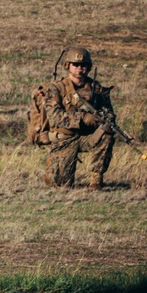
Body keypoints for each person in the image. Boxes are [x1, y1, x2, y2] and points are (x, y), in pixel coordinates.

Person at [43, 47, 116, 189]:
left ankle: (96, 179)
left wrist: (106, 122)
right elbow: (54, 117)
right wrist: (82, 117)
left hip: (87, 137)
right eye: (75, 65)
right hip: (64, 138)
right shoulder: (56, 88)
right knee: (60, 185)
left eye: (83, 65)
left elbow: (109, 112)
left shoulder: (96, 88)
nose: (79, 68)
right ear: (67, 66)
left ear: (89, 67)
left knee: (106, 135)